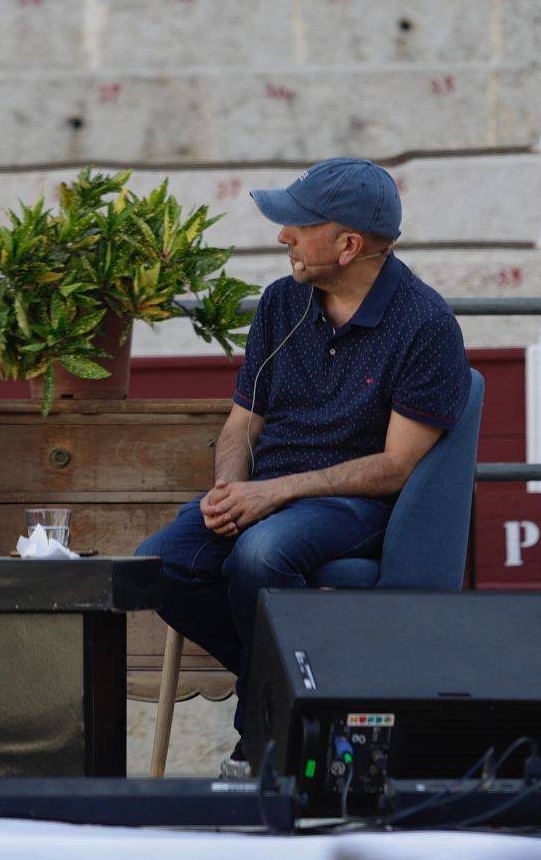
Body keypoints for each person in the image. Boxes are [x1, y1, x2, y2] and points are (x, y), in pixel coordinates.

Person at [136, 158, 470, 774]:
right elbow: (242, 423)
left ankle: (260, 741)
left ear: (348, 245)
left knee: (261, 555)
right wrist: (230, 488)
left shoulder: (426, 324)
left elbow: (397, 467)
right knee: (156, 566)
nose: (281, 236)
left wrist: (275, 494)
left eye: (297, 224)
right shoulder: (280, 303)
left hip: (355, 503)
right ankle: (309, 692)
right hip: (269, 495)